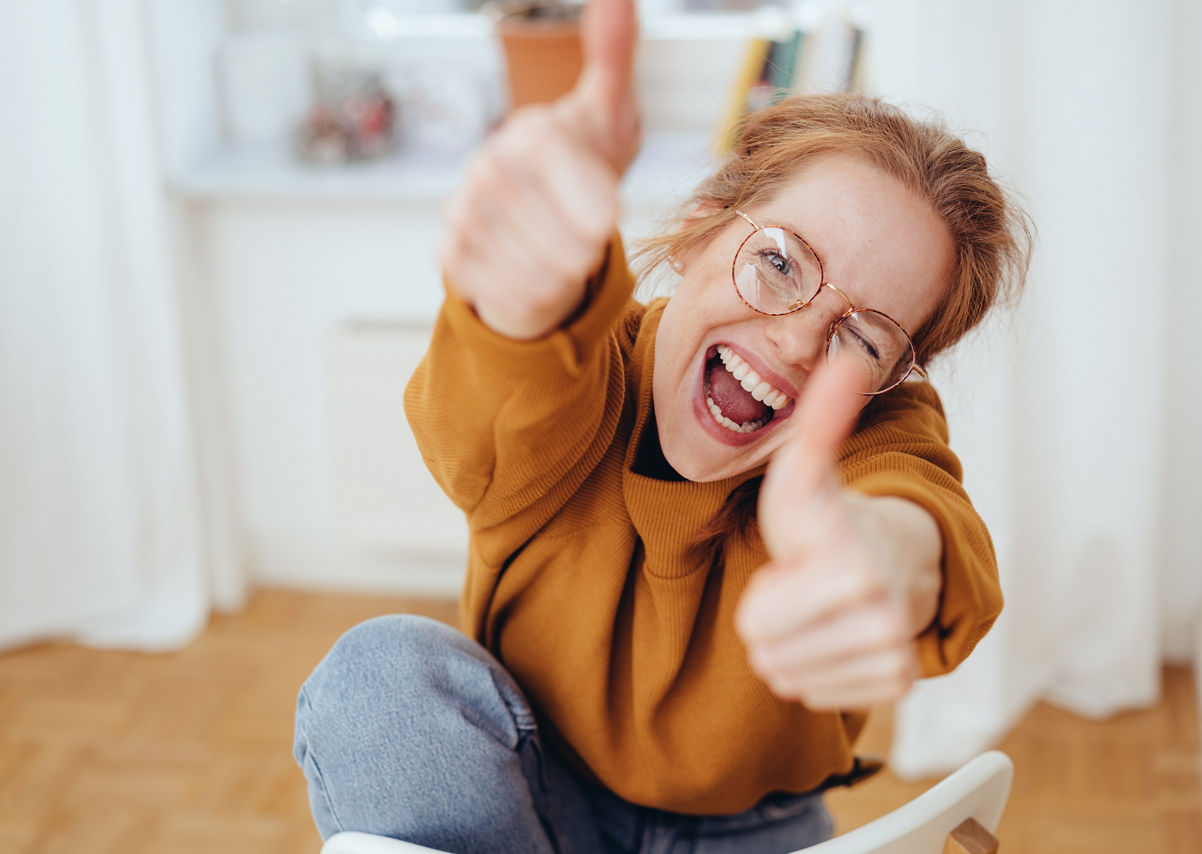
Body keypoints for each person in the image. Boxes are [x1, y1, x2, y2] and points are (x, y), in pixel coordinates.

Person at [292, 0, 1031, 850]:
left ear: (895, 375)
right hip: (532, 791)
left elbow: (924, 515)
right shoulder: (585, 367)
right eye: (780, 261)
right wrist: (517, 303)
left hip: (756, 831)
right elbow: (502, 392)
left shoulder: (873, 433)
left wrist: (883, 554)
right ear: (700, 224)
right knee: (376, 675)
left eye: (863, 338)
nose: (796, 341)